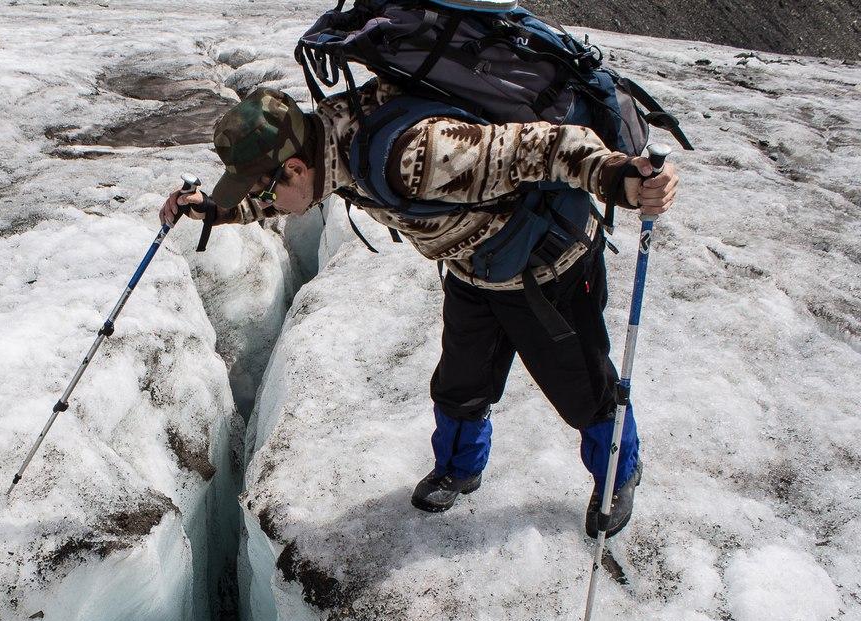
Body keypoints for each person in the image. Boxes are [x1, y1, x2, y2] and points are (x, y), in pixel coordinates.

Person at [159, 76, 679, 539]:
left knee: (583, 387)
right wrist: (217, 210)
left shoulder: (416, 155)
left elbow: (540, 147)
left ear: (294, 167)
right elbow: (284, 194)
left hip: (547, 269)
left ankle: (618, 473)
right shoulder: (328, 143)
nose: (265, 202)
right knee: (461, 380)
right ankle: (458, 468)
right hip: (474, 266)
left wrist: (619, 179)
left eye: (263, 191)